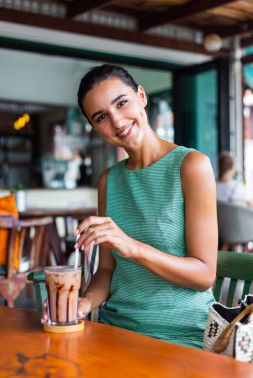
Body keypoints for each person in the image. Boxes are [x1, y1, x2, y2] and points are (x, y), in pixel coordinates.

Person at [42, 64, 218, 349]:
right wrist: (84, 303)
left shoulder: (191, 166)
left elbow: (204, 275)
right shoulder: (108, 181)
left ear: (142, 96)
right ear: (95, 127)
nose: (117, 121)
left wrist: (131, 246)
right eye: (101, 117)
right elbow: (107, 271)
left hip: (182, 335)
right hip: (116, 331)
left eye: (122, 103)